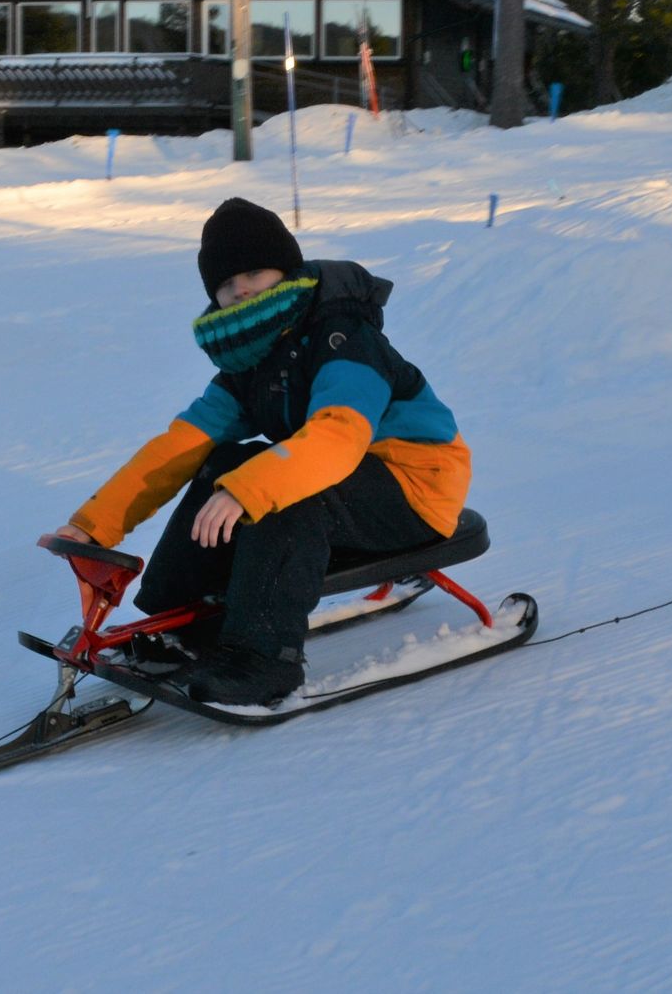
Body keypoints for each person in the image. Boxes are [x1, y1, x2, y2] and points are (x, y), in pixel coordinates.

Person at [52, 197, 470, 707]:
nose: (242, 288)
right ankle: (183, 620)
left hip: (416, 486)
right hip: (346, 477)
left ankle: (264, 658)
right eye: (227, 283)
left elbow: (339, 436)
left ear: (286, 270)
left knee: (280, 494)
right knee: (222, 464)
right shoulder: (251, 360)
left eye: (254, 272)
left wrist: (249, 490)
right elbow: (180, 446)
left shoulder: (344, 338)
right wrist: (94, 525)